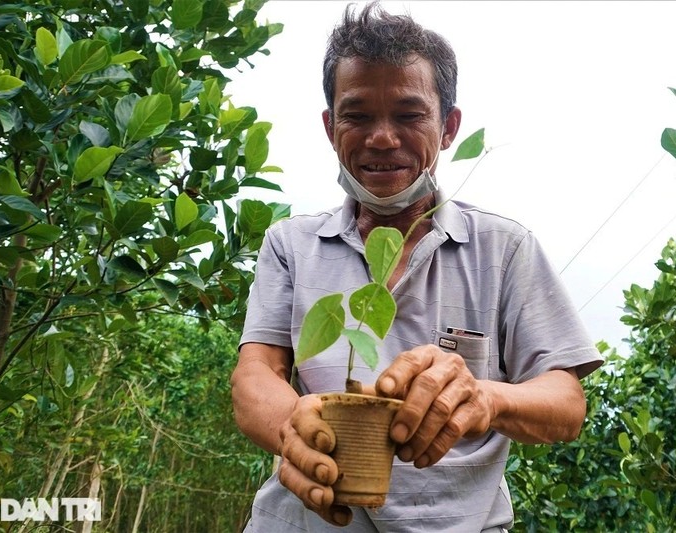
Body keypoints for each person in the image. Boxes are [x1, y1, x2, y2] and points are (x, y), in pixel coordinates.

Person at [231, 2, 603, 531]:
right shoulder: (290, 244)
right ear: (330, 126)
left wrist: (485, 397)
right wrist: (294, 427)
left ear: (449, 127)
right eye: (357, 115)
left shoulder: (505, 248)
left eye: (409, 115)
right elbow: (256, 374)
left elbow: (565, 402)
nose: (382, 138)